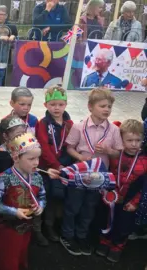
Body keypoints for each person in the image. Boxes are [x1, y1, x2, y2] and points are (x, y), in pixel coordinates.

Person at [60, 87, 123, 256]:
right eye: (102, 106)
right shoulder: (79, 127)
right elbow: (70, 148)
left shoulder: (114, 130)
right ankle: (67, 235)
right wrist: (80, 158)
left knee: (89, 207)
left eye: (109, 107)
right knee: (73, 206)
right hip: (80, 175)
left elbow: (118, 152)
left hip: (99, 178)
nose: (107, 110)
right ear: (90, 107)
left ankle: (82, 235)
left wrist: (109, 151)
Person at [0, 132, 46, 270]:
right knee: (7, 259)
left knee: (21, 255)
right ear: (16, 158)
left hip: (26, 227)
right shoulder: (4, 178)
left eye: (38, 158)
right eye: (31, 159)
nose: (36, 162)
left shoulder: (37, 177)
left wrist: (40, 207)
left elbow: (42, 196)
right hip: (6, 228)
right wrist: (14, 211)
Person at [97, 119, 147, 262]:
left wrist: (135, 202)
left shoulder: (144, 159)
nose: (134, 144)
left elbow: (144, 186)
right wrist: (106, 192)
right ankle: (105, 241)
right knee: (107, 219)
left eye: (138, 140)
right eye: (129, 140)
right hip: (111, 195)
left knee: (124, 224)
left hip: (129, 199)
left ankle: (117, 246)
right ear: (121, 139)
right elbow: (106, 173)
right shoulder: (115, 155)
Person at [33, 86, 73, 246]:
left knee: (56, 197)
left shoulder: (69, 124)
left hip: (62, 168)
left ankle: (49, 226)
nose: (56, 108)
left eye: (60, 104)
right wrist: (56, 164)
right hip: (45, 169)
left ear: (66, 104)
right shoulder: (42, 124)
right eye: (53, 104)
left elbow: (71, 144)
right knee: (42, 196)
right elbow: (43, 145)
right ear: (46, 105)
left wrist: (65, 165)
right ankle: (36, 229)